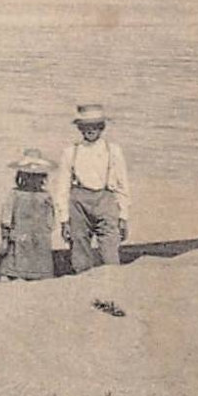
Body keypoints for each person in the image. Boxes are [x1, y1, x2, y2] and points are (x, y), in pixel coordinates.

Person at [56, 103, 130, 272]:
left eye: (94, 126)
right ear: (80, 128)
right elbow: (62, 188)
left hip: (106, 200)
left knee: (110, 250)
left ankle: (112, 286)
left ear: (101, 127)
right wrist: (64, 220)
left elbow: (122, 185)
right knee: (79, 251)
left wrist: (124, 216)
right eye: (85, 126)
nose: (90, 130)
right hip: (78, 203)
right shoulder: (71, 152)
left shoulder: (113, 150)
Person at [0, 149, 57, 281]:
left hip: (39, 238)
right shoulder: (15, 194)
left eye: (37, 176)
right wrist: (5, 237)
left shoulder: (45, 196)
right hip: (19, 235)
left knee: (41, 263)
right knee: (14, 262)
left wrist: (47, 230)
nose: (32, 179)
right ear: (21, 176)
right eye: (28, 176)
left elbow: (50, 218)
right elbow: (6, 217)